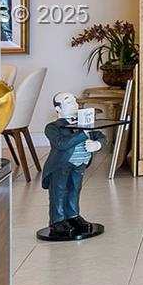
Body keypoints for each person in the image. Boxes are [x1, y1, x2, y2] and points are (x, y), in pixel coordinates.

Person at [38, 92, 105, 241]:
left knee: (74, 189)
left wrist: (97, 144)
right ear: (58, 109)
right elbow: (62, 144)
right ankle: (57, 220)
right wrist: (83, 133)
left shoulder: (84, 123)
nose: (74, 105)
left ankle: (73, 216)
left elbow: (100, 136)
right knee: (59, 191)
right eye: (68, 102)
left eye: (75, 101)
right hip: (61, 165)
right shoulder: (53, 127)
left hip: (80, 163)